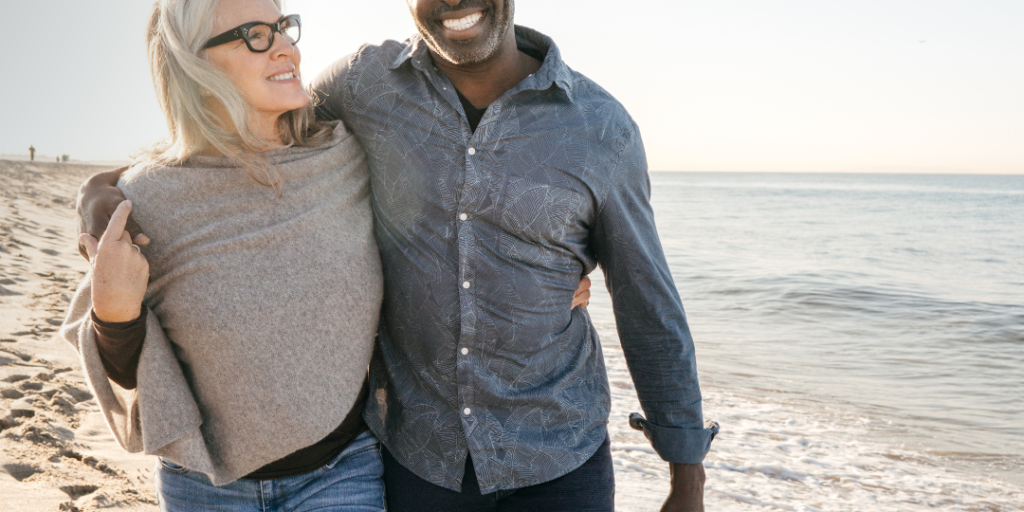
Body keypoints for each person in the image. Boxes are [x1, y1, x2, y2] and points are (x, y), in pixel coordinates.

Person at [79, 0, 712, 511]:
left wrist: (687, 478)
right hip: (419, 461)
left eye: (279, 30)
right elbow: (233, 135)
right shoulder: (364, 86)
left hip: (559, 457)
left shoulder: (601, 129)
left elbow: (647, 300)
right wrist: (101, 190)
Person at [64, 0, 387, 509]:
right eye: (255, 34)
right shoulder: (150, 201)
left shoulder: (344, 160)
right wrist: (115, 313)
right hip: (203, 483)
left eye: (283, 27)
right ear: (194, 62)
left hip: (341, 470)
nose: (285, 46)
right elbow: (130, 376)